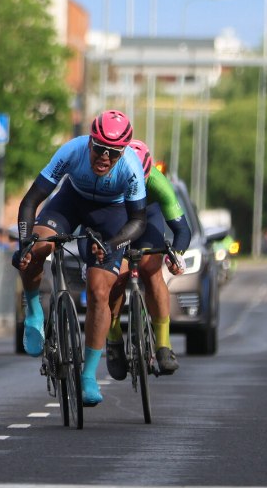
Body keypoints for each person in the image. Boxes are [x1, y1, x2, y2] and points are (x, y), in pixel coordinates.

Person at [13, 110, 147, 407]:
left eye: (113, 153)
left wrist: (112, 244)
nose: (104, 157)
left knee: (100, 290)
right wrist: (25, 242)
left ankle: (88, 376)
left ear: (123, 151)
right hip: (71, 202)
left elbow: (138, 221)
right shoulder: (72, 150)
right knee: (39, 247)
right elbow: (31, 200)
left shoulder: (131, 168)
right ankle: (34, 310)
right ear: (90, 142)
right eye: (99, 148)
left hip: (112, 214)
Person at [105, 139, 190, 379]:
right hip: (116, 216)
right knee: (116, 276)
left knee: (152, 271)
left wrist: (178, 256)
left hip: (147, 216)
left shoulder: (158, 183)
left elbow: (182, 229)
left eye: (142, 180)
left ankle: (163, 346)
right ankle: (113, 340)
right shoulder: (109, 177)